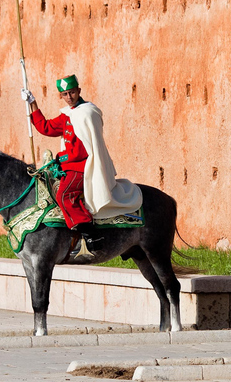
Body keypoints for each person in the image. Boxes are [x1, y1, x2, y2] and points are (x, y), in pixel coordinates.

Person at [21, 75, 142, 251]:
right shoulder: (67, 116)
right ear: (60, 96)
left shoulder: (88, 112)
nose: (69, 97)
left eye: (71, 93)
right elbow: (45, 127)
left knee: (64, 195)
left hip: (83, 166)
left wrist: (60, 158)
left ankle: (90, 234)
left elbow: (81, 151)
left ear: (79, 91)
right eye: (64, 94)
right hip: (68, 167)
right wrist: (33, 104)